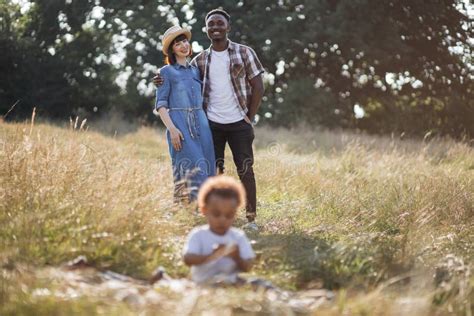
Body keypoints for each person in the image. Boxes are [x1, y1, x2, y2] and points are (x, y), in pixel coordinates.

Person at [154, 9, 265, 230]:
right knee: (200, 170)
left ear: (228, 27)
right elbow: (166, 94)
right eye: (211, 24)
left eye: (220, 23)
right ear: (206, 29)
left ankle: (248, 218)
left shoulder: (235, 55)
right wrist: (160, 80)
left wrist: (248, 119)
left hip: (223, 125)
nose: (215, 27)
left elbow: (258, 87)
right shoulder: (191, 63)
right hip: (201, 124)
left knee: (238, 169)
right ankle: (199, 212)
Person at [154, 25, 215, 202]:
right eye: (178, 43)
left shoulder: (196, 70)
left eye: (185, 41)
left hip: (202, 125)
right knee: (190, 168)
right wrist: (172, 129)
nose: (183, 46)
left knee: (208, 168)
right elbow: (161, 105)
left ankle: (203, 209)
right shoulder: (166, 72)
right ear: (172, 49)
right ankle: (188, 210)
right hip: (180, 125)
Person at [182, 176, 256, 285]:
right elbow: (188, 259)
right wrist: (213, 255)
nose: (222, 219)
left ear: (235, 214)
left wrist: (237, 257)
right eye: (216, 214)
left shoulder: (238, 237)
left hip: (231, 283)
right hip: (204, 282)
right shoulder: (199, 235)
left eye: (229, 215)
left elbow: (249, 266)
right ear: (204, 210)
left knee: (258, 283)